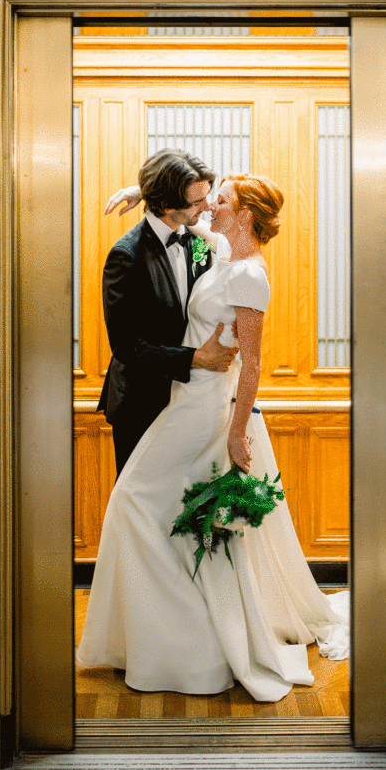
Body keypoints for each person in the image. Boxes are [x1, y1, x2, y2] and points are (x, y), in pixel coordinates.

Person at [77, 171, 349, 702]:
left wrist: (238, 433)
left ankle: (196, 642)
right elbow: (188, 222)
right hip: (187, 399)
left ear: (244, 213)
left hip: (212, 412)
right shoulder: (224, 246)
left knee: (137, 501)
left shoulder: (250, 276)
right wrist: (144, 196)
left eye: (219, 201)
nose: (208, 209)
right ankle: (173, 634)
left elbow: (253, 364)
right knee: (157, 511)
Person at [97, 150, 239, 475]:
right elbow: (126, 345)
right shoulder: (126, 256)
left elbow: (222, 254)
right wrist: (196, 358)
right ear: (168, 207)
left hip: (188, 402)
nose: (206, 208)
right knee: (141, 511)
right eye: (197, 202)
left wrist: (142, 190)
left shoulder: (196, 239)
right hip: (142, 405)